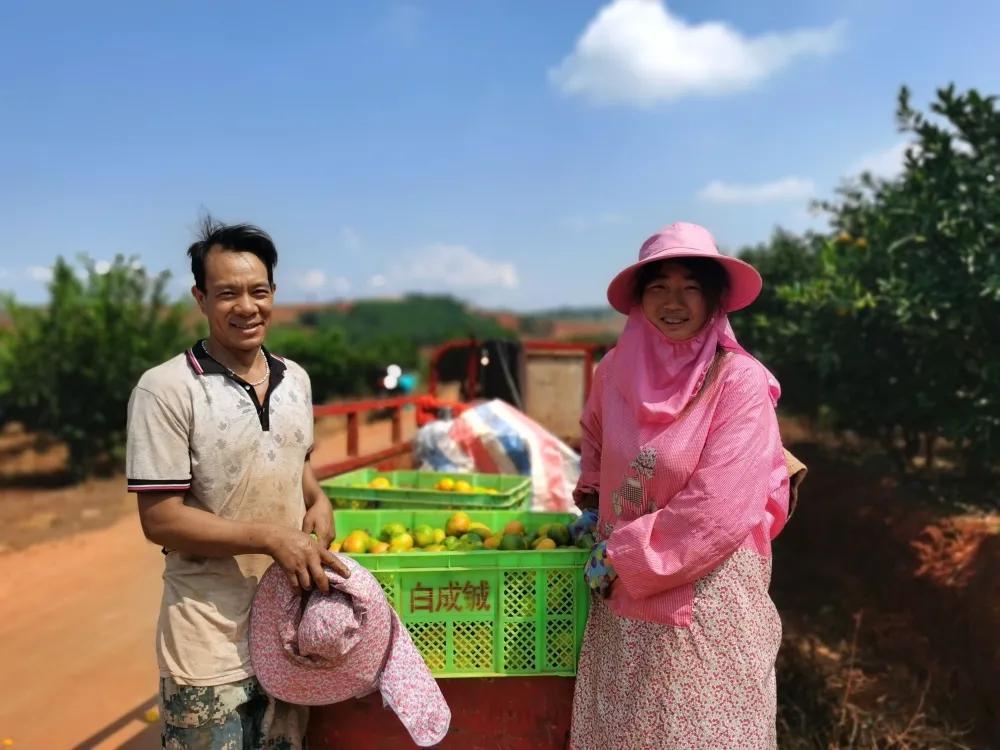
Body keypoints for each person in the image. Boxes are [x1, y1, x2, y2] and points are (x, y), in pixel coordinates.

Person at [126, 217, 350, 749]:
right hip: (209, 637)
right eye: (227, 293)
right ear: (201, 299)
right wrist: (274, 538)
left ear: (273, 294)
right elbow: (160, 519)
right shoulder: (165, 390)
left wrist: (319, 498)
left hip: (291, 629)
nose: (246, 307)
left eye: (259, 291)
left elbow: (292, 459)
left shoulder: (296, 379)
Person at [569, 222, 790, 750]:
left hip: (708, 606)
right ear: (639, 300)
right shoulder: (613, 371)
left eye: (690, 286)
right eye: (658, 286)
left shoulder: (738, 381)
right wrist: (594, 504)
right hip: (623, 606)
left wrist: (621, 557)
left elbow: (718, 509)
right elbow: (596, 440)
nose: (674, 301)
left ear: (714, 298)